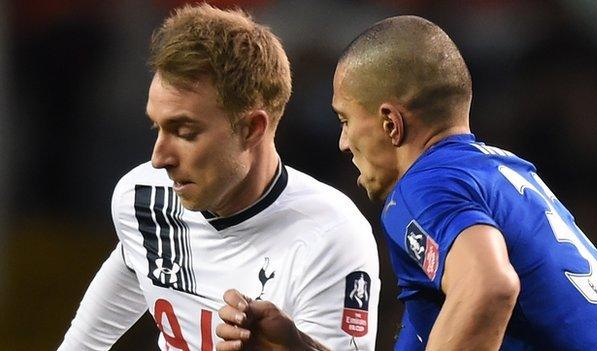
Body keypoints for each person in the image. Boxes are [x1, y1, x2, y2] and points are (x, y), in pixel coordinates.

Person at [218, 15, 597, 350]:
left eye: (345, 120)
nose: (343, 143)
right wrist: (294, 344)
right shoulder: (503, 175)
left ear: (390, 123)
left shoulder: (424, 185)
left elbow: (489, 286)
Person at [57, 3, 380, 351]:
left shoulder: (331, 234)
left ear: (251, 128)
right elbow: (86, 339)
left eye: (184, 132)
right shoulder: (142, 199)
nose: (159, 157)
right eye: (157, 127)